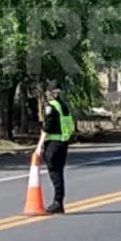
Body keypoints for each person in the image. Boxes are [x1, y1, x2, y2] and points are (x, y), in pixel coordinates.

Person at [36, 80, 74, 214]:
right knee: (59, 172)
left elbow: (47, 127)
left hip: (53, 144)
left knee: (54, 173)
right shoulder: (64, 106)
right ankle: (59, 202)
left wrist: (39, 145)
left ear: (50, 93)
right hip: (63, 143)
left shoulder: (50, 106)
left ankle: (58, 203)